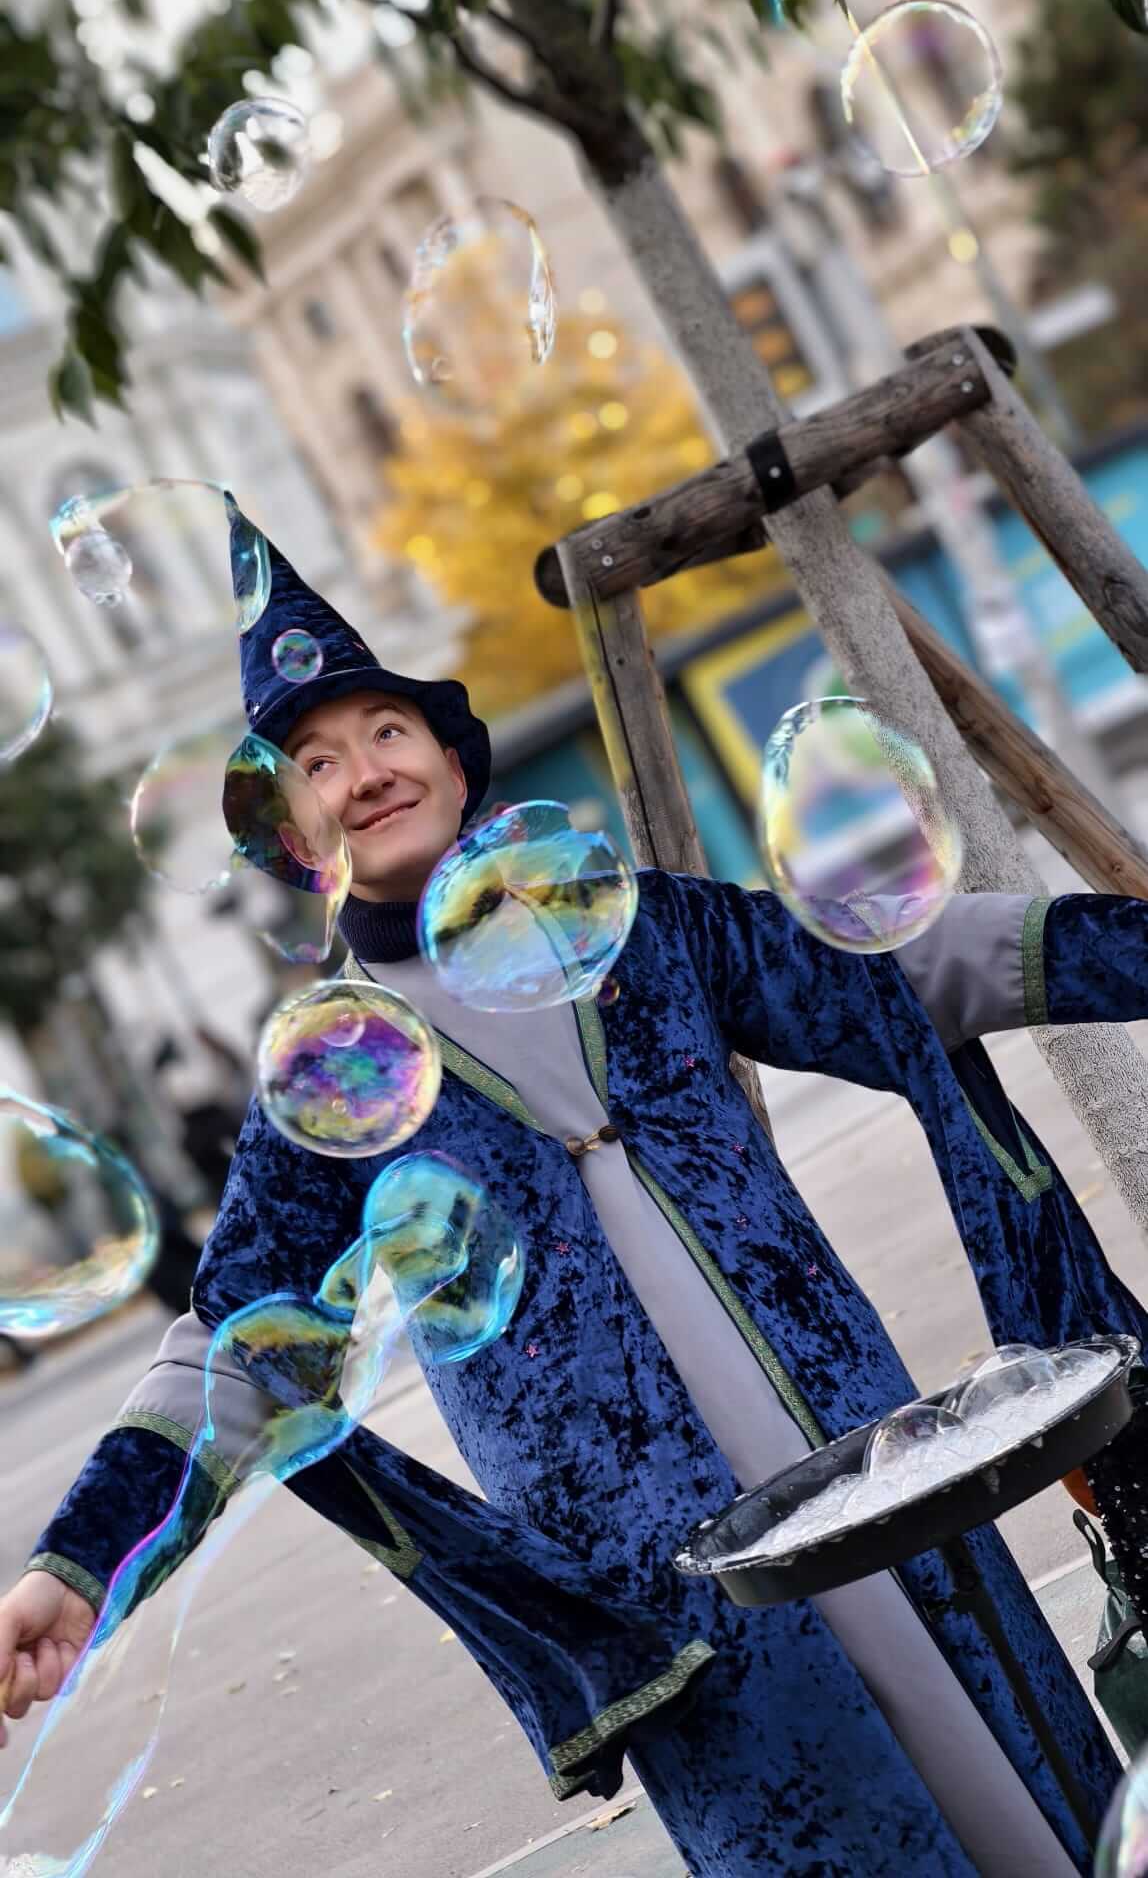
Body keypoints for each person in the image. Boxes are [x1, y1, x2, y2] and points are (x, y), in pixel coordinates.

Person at [3, 506, 1148, 1877]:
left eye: (386, 731)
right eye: (315, 762)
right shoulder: (326, 1080)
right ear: (291, 835)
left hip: (873, 1467)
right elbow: (233, 1351)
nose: (363, 774)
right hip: (664, 1582)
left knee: (1036, 1796)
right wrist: (75, 1566)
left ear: (451, 758)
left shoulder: (651, 927)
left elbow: (906, 968)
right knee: (822, 1834)